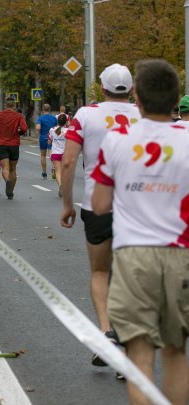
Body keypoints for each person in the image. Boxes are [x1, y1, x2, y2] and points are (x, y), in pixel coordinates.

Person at [91, 59, 188, 404]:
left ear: (138, 99)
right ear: (176, 99)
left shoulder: (118, 139)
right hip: (181, 255)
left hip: (133, 258)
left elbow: (100, 204)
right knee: (176, 353)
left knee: (140, 355)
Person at [60, 63, 141, 371]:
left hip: (97, 204)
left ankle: (107, 331)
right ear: (131, 89)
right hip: (137, 205)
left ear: (102, 87)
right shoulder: (143, 115)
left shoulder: (85, 115)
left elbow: (68, 161)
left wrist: (67, 203)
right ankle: (134, 349)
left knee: (100, 273)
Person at [0, 97, 27, 200]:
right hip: (14, 144)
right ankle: (11, 191)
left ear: (5, 105)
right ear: (14, 106)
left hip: (2, 144)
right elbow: (24, 129)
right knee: (13, 169)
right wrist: (19, 133)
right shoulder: (19, 116)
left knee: (5, 168)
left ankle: (7, 183)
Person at [36, 103, 58, 179]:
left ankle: (44, 172)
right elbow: (57, 128)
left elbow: (38, 128)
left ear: (43, 110)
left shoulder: (40, 118)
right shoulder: (54, 118)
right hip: (52, 138)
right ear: (50, 109)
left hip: (43, 138)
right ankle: (54, 168)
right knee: (51, 153)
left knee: (43, 155)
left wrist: (38, 131)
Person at [48, 114, 67, 197]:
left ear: (57, 121)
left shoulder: (52, 130)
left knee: (57, 171)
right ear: (66, 121)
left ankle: (60, 185)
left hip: (55, 153)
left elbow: (49, 142)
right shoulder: (69, 130)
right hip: (65, 153)